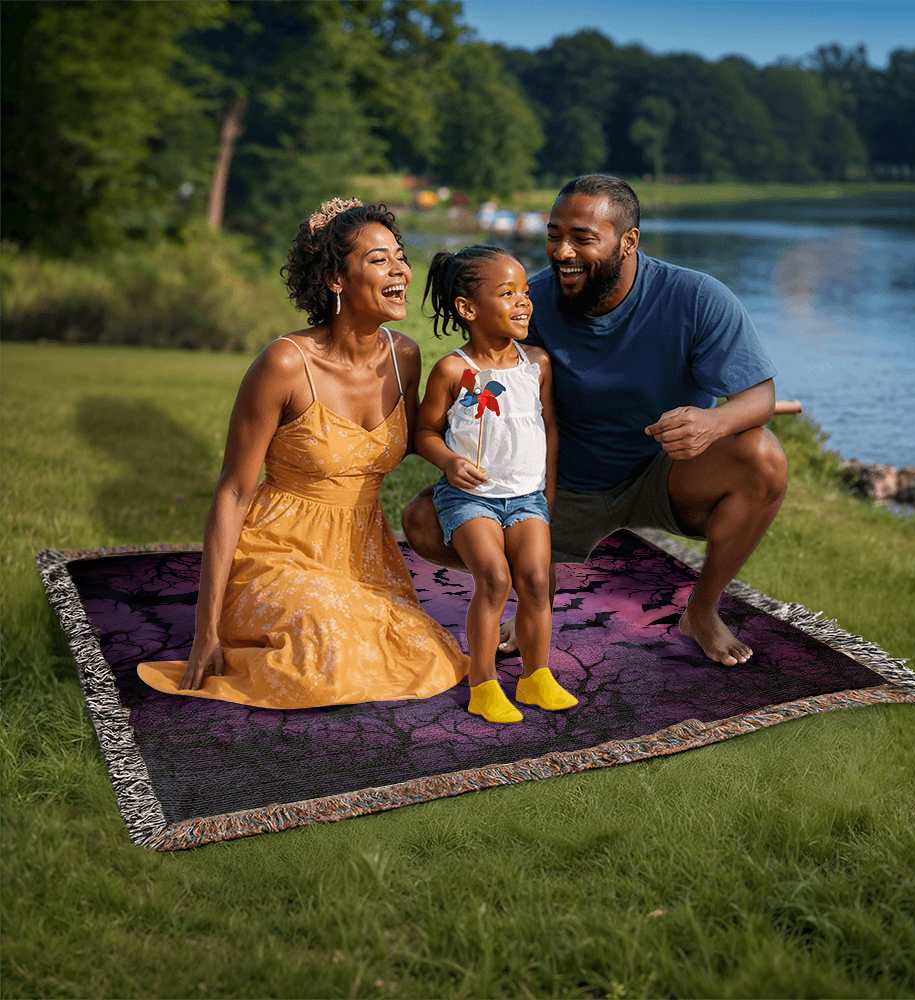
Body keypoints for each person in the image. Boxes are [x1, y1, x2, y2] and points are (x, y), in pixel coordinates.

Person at [403, 175, 788, 668]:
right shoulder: (529, 304)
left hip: (665, 475)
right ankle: (533, 590)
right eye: (554, 234)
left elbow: (759, 396)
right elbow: (478, 386)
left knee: (761, 456)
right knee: (425, 523)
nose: (562, 252)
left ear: (628, 242)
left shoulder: (696, 298)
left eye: (582, 238)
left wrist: (714, 423)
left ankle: (703, 610)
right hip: (560, 485)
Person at [138, 199, 469, 707]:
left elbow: (413, 441)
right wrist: (205, 631)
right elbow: (233, 491)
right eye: (379, 259)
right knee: (325, 644)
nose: (400, 268)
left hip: (364, 550)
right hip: (276, 551)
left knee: (426, 653)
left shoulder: (405, 357)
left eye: (400, 255)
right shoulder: (285, 363)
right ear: (336, 279)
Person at [416, 246, 575, 724]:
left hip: (526, 496)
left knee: (536, 581)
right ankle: (483, 683)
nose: (524, 302)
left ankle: (535, 677)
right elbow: (424, 433)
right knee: (495, 579)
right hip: (470, 498)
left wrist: (546, 493)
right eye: (508, 293)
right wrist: (448, 461)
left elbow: (548, 429)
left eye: (525, 292)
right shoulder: (453, 370)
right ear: (468, 309)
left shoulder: (538, 365)